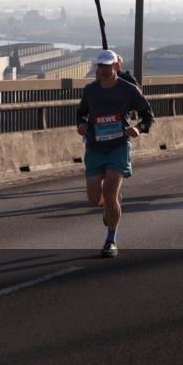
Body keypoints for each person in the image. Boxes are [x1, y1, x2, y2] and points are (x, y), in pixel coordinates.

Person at [76, 50, 155, 258]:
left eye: (107, 66)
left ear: (116, 67)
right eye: (100, 66)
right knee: (95, 200)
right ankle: (111, 206)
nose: (103, 70)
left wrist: (138, 128)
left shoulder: (128, 90)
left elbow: (148, 116)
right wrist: (81, 124)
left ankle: (111, 240)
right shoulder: (90, 90)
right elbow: (81, 113)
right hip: (95, 148)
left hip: (119, 147)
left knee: (109, 193)